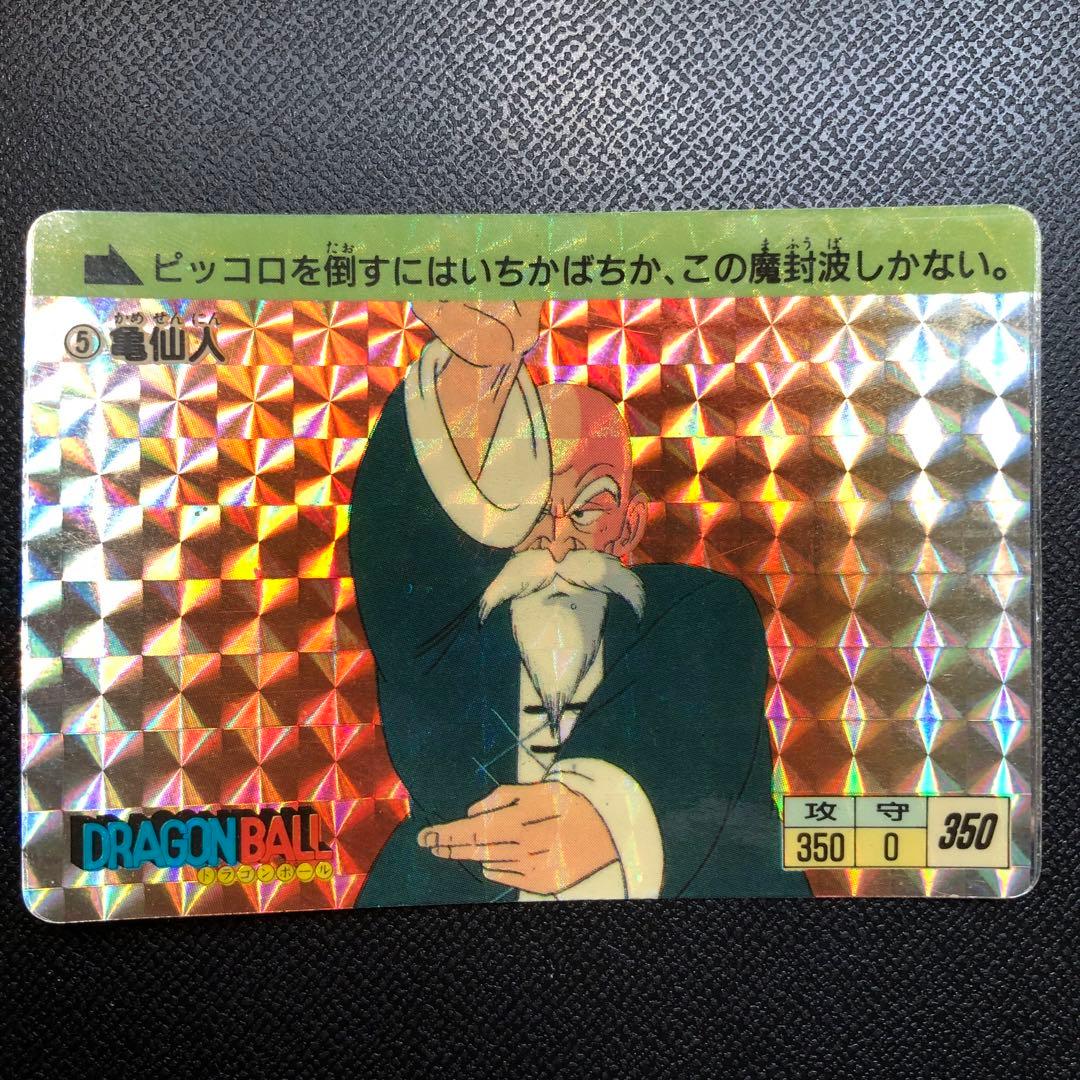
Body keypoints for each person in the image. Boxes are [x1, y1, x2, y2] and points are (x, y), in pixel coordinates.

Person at [349, 300, 808, 905]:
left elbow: (698, 719)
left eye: (590, 506)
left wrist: (604, 815)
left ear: (629, 525)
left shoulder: (694, 613)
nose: (559, 538)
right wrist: (473, 373)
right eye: (535, 510)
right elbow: (394, 547)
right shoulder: (447, 635)